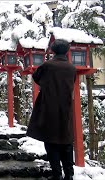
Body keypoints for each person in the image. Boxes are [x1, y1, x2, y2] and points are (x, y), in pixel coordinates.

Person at [26, 39, 76, 180]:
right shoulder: (71, 68)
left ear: (53, 50)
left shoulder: (48, 66)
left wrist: (46, 84)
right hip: (66, 108)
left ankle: (57, 174)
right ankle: (69, 173)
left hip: (49, 106)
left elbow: (36, 76)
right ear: (67, 51)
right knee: (66, 140)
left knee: (51, 140)